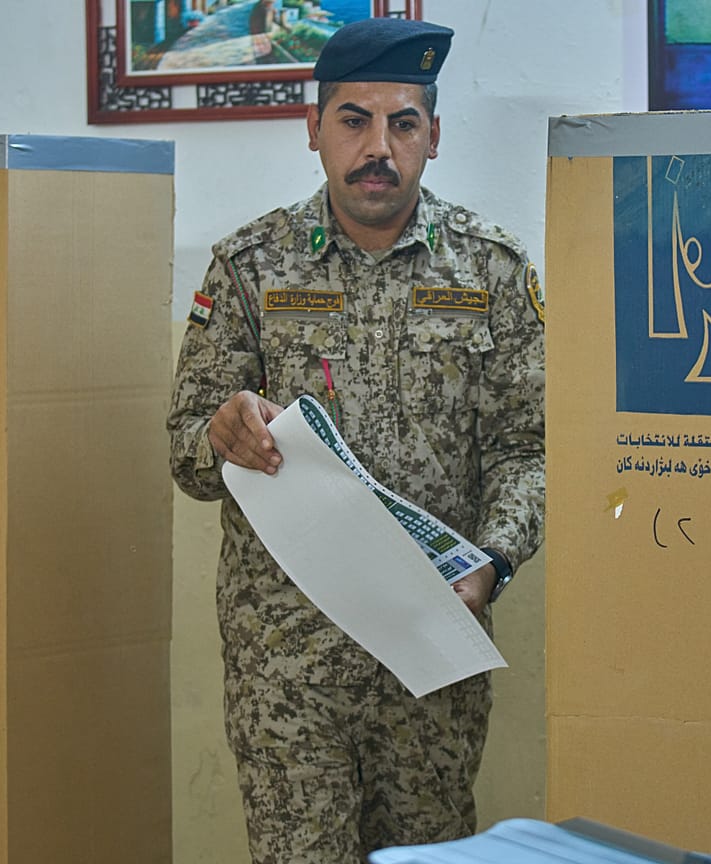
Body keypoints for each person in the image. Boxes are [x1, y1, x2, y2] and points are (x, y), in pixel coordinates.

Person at [166, 16, 545, 864]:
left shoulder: (493, 272)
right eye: (354, 120)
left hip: (430, 654)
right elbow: (185, 450)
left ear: (434, 136)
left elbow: (532, 449)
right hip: (286, 666)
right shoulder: (250, 268)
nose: (379, 146)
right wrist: (221, 435)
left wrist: (496, 558)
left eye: (403, 123)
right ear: (314, 130)